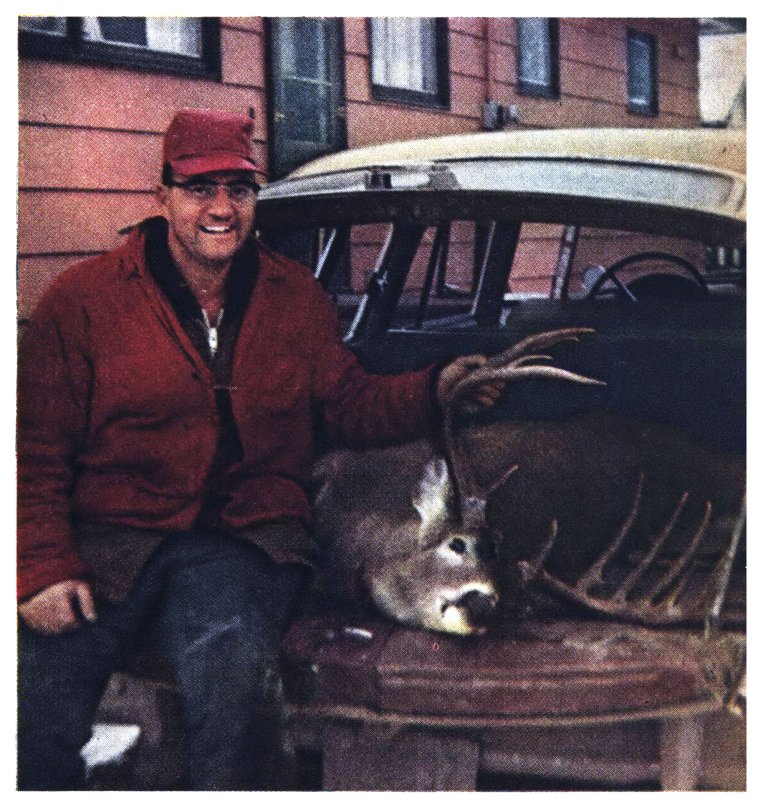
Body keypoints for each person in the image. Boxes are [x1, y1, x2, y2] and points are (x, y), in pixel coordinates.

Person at [17, 108, 503, 790]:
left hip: (245, 538)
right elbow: (33, 444)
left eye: (239, 190)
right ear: (161, 197)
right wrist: (39, 565)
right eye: (199, 188)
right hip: (111, 538)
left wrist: (433, 387)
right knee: (28, 709)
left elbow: (349, 404)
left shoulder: (294, 299)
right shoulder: (84, 301)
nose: (222, 208)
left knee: (236, 688)